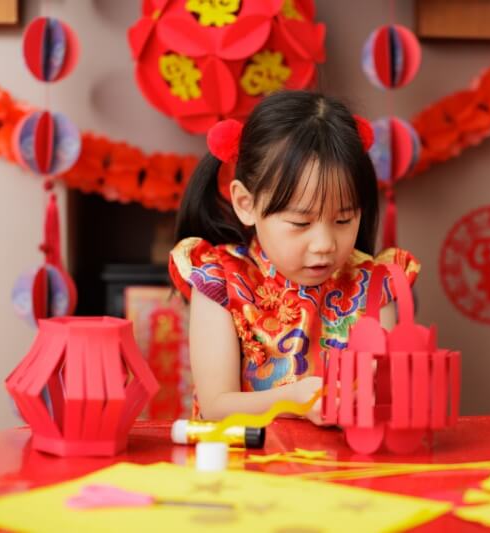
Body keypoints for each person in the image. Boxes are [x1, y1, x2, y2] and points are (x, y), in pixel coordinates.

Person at [169, 90, 419, 424]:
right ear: (246, 204)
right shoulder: (221, 283)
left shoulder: (375, 285)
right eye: (301, 223)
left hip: (350, 468)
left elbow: (387, 398)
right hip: (244, 468)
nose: (324, 244)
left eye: (343, 220)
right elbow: (217, 405)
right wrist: (292, 401)